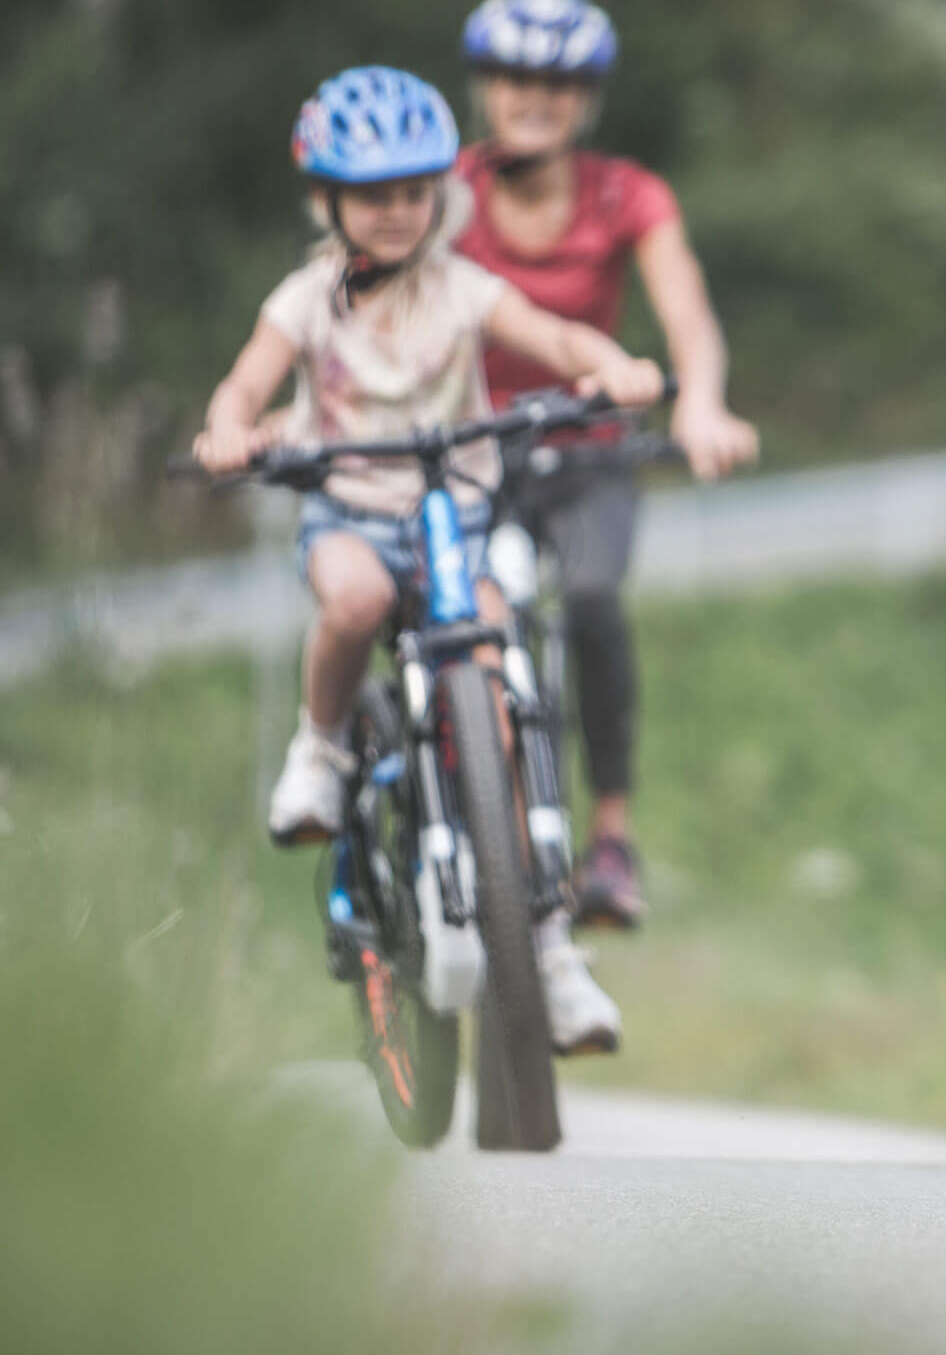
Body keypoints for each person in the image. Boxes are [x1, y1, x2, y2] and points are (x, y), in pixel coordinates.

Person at [192, 65, 666, 1055]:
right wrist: (230, 430)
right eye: (374, 194)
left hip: (456, 515)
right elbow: (244, 384)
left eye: (416, 191)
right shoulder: (307, 300)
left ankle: (548, 951)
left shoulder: (463, 287)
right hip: (353, 513)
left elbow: (554, 335)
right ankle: (321, 750)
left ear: (441, 194)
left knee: (500, 671)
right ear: (328, 200)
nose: (399, 211)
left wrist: (610, 367)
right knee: (356, 601)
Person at [453, 0, 759, 931]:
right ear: (485, 88)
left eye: (558, 83)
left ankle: (612, 840)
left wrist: (699, 401)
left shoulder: (628, 196)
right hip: (467, 451)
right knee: (458, 623)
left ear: (586, 98)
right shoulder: (441, 193)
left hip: (587, 450)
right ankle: (471, 816)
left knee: (591, 602)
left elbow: (688, 316)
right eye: (515, 78)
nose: (534, 99)